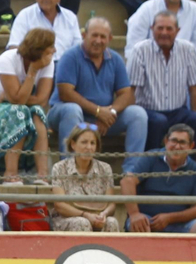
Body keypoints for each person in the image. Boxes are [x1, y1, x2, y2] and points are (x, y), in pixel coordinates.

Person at [50, 17, 146, 170]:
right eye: (94, 35)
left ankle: (131, 172)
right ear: (84, 35)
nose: (98, 40)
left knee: (137, 114)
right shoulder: (70, 56)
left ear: (110, 39)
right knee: (72, 109)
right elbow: (65, 93)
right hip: (68, 116)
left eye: (103, 37)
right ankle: (68, 171)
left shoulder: (115, 59)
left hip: (102, 118)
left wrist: (109, 113)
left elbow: (127, 95)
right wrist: (98, 111)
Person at [129, 11, 196, 150]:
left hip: (178, 111)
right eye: (160, 28)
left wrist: (195, 112)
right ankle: (152, 161)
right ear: (152, 29)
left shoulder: (188, 49)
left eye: (169, 28)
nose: (164, 32)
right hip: (149, 111)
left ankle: (191, 161)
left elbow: (194, 88)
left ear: (177, 30)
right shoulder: (140, 50)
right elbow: (132, 89)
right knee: (159, 121)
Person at [0, 25, 54, 182]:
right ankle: (11, 173)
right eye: (50, 48)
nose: (54, 51)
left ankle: (43, 174)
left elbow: (41, 99)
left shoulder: (47, 63)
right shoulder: (7, 59)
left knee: (37, 112)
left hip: (13, 107)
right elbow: (18, 101)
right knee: (18, 111)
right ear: (38, 51)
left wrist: (10, 97)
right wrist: (33, 71)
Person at [120, 122, 196, 233]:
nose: (177, 146)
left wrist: (169, 218)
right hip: (147, 220)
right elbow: (127, 181)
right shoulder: (151, 157)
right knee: (139, 226)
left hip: (180, 224)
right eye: (174, 140)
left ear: (191, 146)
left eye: (182, 142)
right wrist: (134, 214)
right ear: (166, 141)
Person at [50, 123, 121, 231]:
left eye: (92, 143)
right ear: (73, 144)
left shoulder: (105, 168)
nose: (89, 147)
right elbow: (59, 205)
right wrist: (85, 215)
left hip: (97, 215)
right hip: (68, 219)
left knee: (112, 222)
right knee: (82, 223)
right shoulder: (59, 168)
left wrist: (103, 215)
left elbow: (111, 204)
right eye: (84, 142)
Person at [9, 0, 82, 60]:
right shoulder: (25, 16)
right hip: (35, 64)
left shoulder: (70, 17)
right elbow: (14, 48)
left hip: (64, 65)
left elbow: (78, 49)